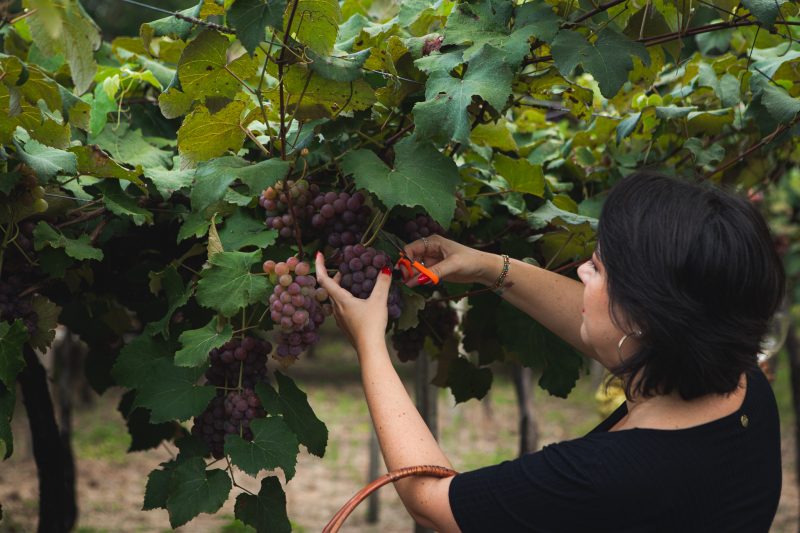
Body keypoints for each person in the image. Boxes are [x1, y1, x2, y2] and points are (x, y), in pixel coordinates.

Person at [314, 171, 785, 532]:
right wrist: (488, 267)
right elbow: (609, 332)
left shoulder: (602, 476)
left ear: (643, 315)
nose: (580, 271)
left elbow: (432, 501)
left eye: (598, 268)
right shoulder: (743, 384)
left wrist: (370, 344)